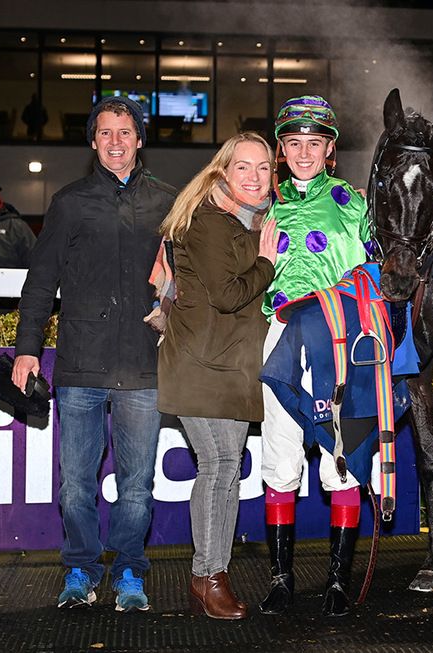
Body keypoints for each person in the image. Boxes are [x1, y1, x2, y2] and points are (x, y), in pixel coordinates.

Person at [12, 96, 176, 612]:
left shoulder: (170, 203)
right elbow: (40, 283)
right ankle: (80, 570)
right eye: (105, 133)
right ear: (93, 141)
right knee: (77, 484)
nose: (115, 142)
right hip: (80, 366)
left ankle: (129, 570)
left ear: (139, 139)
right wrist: (26, 350)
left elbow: (188, 282)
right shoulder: (68, 202)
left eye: (124, 132)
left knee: (136, 487)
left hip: (144, 368)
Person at [156, 133, 278, 619]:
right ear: (223, 170)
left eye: (263, 168)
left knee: (227, 470)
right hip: (199, 365)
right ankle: (208, 576)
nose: (254, 176)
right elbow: (229, 294)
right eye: (243, 167)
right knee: (220, 465)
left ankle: (212, 574)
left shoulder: (248, 221)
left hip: (231, 365)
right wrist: (268, 263)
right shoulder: (209, 220)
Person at [259, 94, 370, 618]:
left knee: (341, 458)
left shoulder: (356, 201)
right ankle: (281, 580)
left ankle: (337, 582)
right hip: (278, 337)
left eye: (315, 143)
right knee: (280, 458)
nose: (305, 152)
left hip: (337, 341)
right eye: (294, 143)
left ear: (330, 150)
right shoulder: (260, 201)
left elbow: (382, 266)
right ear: (281, 150)